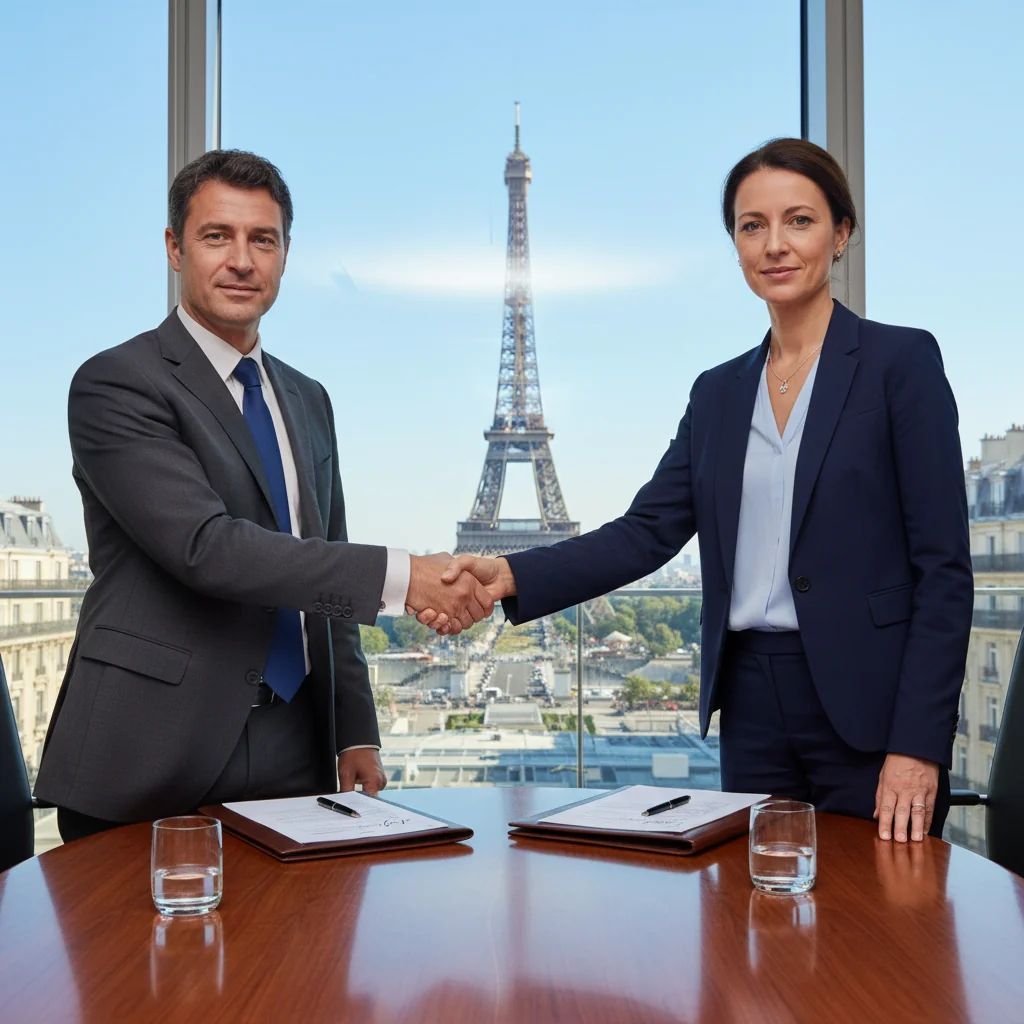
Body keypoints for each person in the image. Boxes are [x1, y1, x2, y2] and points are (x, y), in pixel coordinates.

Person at [424, 138, 973, 844]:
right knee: (764, 922)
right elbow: (646, 532)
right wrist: (506, 573)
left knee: (882, 925)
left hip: (870, 706)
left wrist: (919, 744)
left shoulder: (901, 363)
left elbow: (944, 573)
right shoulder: (717, 393)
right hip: (751, 701)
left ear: (841, 234)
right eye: (752, 226)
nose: (774, 244)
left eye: (799, 221)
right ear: (736, 245)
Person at [37, 150, 493, 842]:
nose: (242, 260)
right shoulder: (116, 384)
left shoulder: (308, 399)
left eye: (263, 239)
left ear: (285, 255)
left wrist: (354, 731)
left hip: (295, 747)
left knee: (293, 950)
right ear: (173, 248)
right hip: (151, 751)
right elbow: (207, 548)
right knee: (134, 951)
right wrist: (407, 577)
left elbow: (324, 567)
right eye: (217, 236)